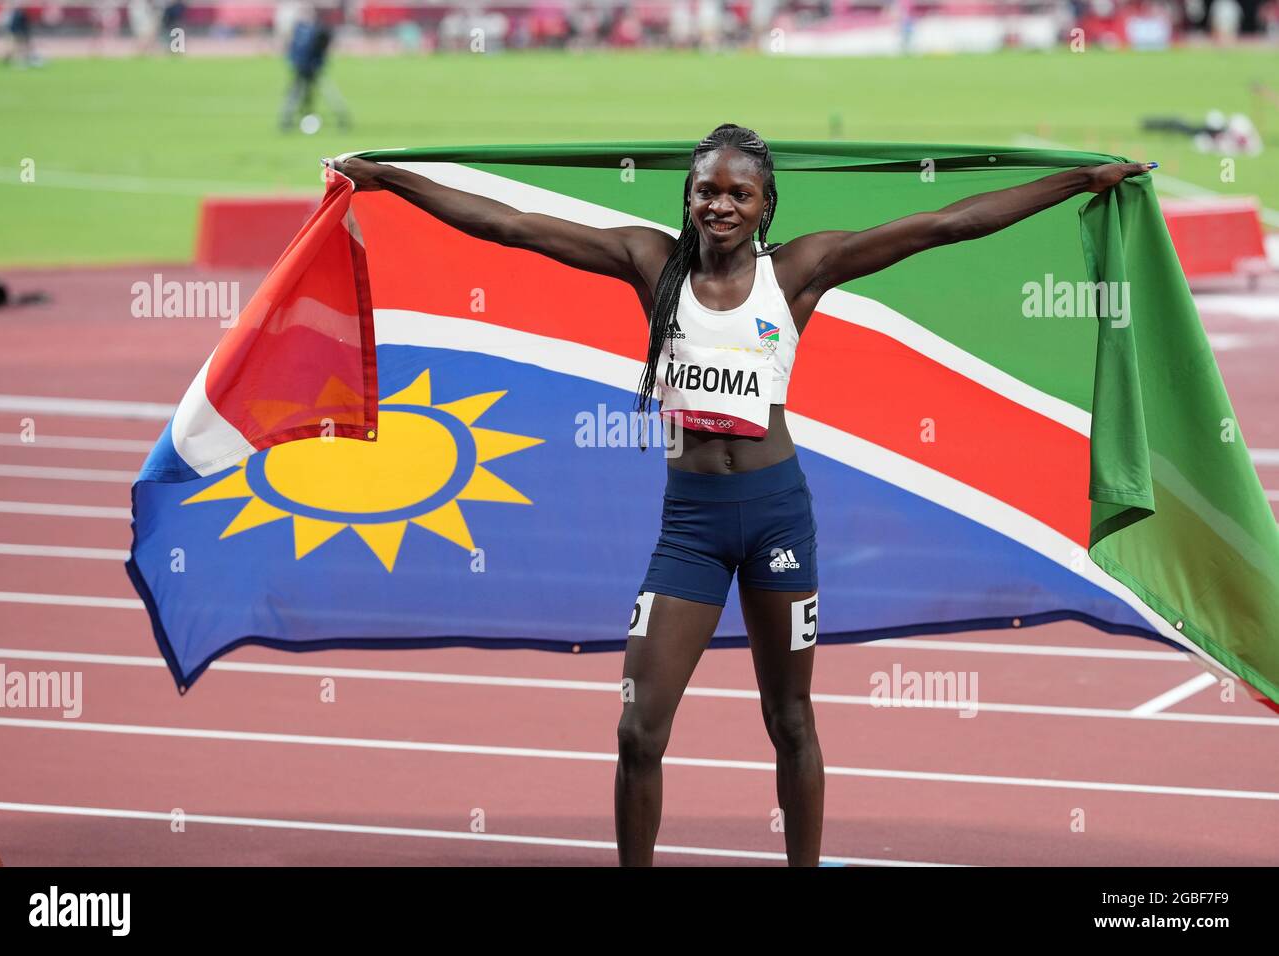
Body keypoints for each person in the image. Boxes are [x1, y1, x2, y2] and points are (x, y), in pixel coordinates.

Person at [332, 125, 1153, 866]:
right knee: (637, 728)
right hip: (687, 528)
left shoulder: (801, 270)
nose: (719, 205)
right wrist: (392, 178)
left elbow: (945, 225)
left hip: (774, 519)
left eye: (738, 193)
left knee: (789, 720)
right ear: (685, 198)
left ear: (766, 206)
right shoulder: (648, 262)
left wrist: (1075, 182)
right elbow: (508, 227)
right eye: (705, 191)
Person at [279, 4, 351, 133]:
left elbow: (322, 48)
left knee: (328, 93)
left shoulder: (319, 30)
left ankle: (342, 117)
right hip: (301, 68)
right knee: (294, 95)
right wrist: (295, 63)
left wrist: (316, 62)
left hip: (314, 68)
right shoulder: (299, 29)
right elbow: (293, 50)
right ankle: (286, 120)